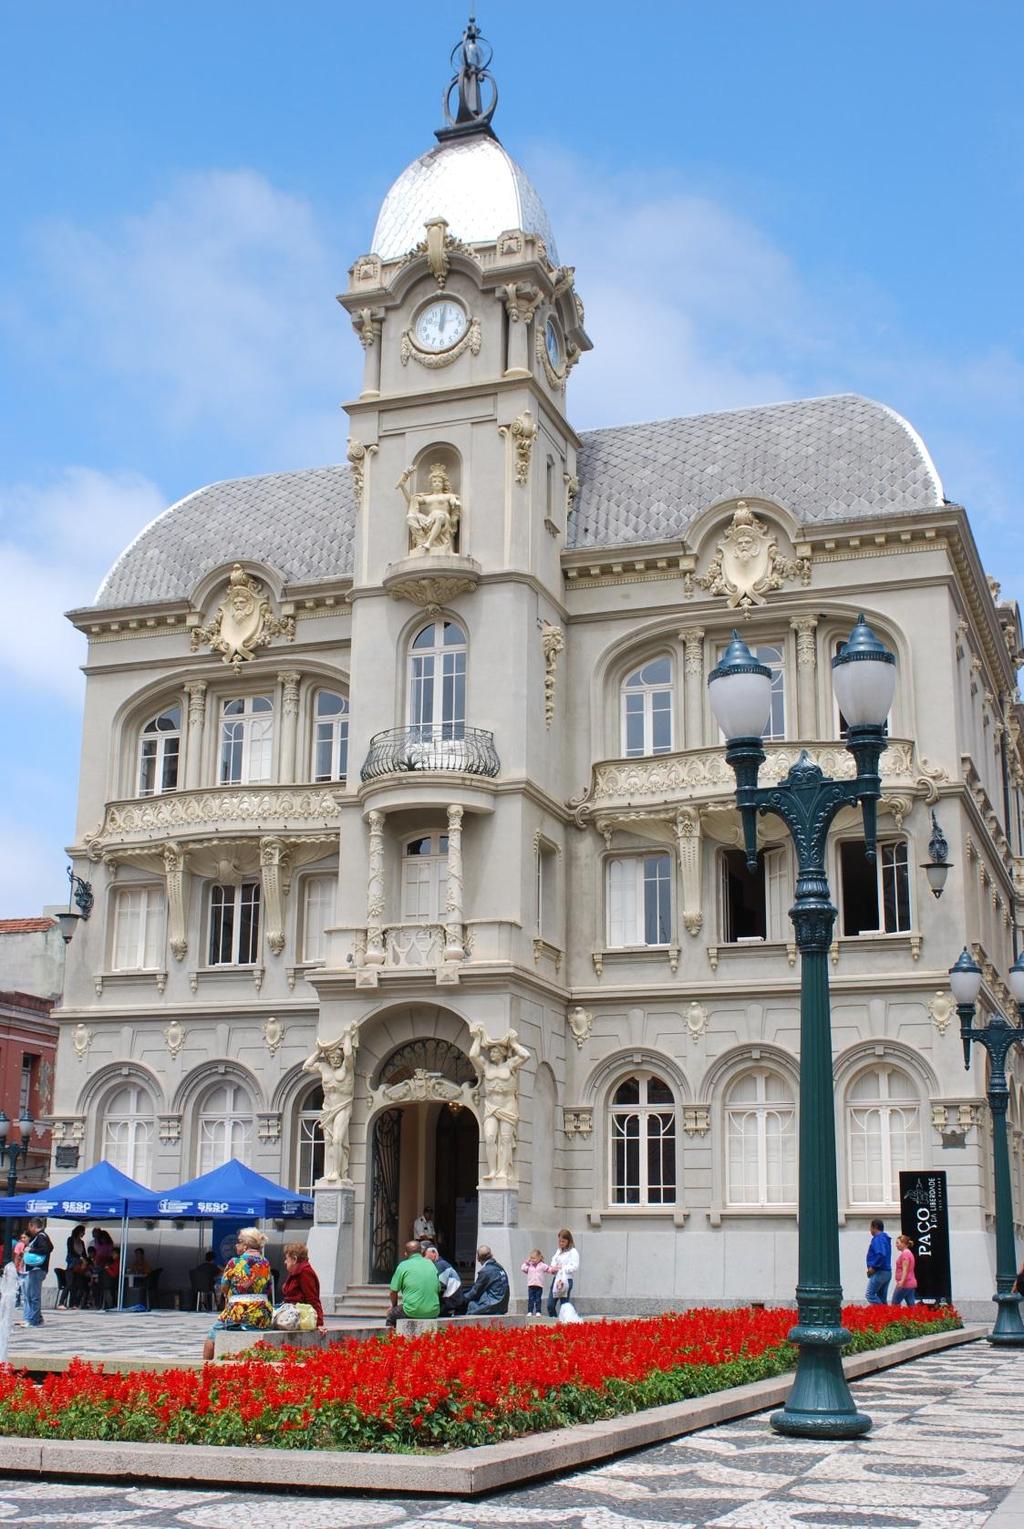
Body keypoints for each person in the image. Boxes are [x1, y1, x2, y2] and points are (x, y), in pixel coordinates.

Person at [201, 1228, 273, 1362]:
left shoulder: (234, 1262)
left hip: (238, 1312)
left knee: (212, 1336)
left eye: (238, 1242)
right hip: (262, 1313)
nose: (236, 1245)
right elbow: (268, 1289)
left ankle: (205, 1365)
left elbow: (223, 1287)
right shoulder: (266, 1263)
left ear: (245, 1245)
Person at [387, 1240, 441, 1326]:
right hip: (433, 1311)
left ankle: (392, 1338)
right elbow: (438, 1288)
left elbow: (393, 1292)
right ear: (422, 1252)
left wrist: (394, 1307)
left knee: (391, 1315)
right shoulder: (431, 1265)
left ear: (405, 1253)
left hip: (412, 1311)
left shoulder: (403, 1266)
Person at [280, 1242, 325, 1328]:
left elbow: (312, 1298)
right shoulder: (295, 1271)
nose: (285, 1262)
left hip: (299, 1317)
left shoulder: (304, 1272)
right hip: (292, 1314)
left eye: (287, 1258)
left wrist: (318, 1322)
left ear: (294, 1259)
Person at [20, 1217, 53, 1329]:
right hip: (37, 1269)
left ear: (33, 1226)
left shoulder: (41, 1237)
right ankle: (37, 1318)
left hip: (37, 1269)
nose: (29, 1229)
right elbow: (51, 1247)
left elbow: (46, 1249)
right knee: (31, 1294)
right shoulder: (42, 1236)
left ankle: (34, 1321)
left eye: (30, 1227)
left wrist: (31, 1250)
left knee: (34, 1296)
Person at [463, 1245, 510, 1316]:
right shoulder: (499, 1268)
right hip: (502, 1305)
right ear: (491, 1255)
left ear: (478, 1258)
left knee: (470, 1305)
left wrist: (461, 1299)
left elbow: (475, 1292)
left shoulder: (485, 1271)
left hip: (491, 1306)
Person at [547, 1228, 580, 1318]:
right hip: (557, 1279)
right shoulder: (559, 1251)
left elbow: (575, 1266)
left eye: (563, 1241)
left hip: (566, 1279)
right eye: (560, 1241)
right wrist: (554, 1267)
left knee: (564, 1305)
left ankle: (564, 1323)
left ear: (568, 1241)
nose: (561, 1243)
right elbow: (553, 1260)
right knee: (550, 1305)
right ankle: (554, 1320)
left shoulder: (573, 1252)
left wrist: (563, 1268)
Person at [424, 1244, 463, 1316]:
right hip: (451, 1300)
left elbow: (439, 1288)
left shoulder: (440, 1265)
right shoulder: (441, 1263)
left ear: (434, 1253)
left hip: (450, 1302)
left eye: (424, 1254)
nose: (423, 1257)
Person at [865, 1218, 892, 1304]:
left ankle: (882, 1313)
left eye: (871, 1227)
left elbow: (881, 1254)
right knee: (882, 1298)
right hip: (887, 1271)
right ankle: (886, 1315)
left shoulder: (878, 1239)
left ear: (875, 1227)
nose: (870, 1230)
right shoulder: (885, 1238)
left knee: (870, 1295)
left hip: (879, 1271)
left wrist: (873, 1267)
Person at [65, 1225, 90, 1308]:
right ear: (79, 1231)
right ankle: (62, 1302)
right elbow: (71, 1251)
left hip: (80, 1266)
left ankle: (74, 1303)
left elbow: (84, 1254)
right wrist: (81, 1258)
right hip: (73, 1264)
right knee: (70, 1284)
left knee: (78, 1284)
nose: (84, 1233)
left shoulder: (82, 1242)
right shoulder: (70, 1239)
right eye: (83, 1232)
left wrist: (87, 1261)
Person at [521, 1249, 551, 1316]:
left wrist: (553, 1270)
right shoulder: (529, 1265)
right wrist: (526, 1262)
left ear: (539, 1258)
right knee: (531, 1299)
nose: (532, 1260)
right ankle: (530, 1311)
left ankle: (538, 1311)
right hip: (531, 1285)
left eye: (534, 1258)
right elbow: (523, 1268)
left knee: (538, 1299)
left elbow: (548, 1269)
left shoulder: (542, 1265)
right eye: (531, 1258)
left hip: (539, 1285)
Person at [892, 1234, 918, 1306]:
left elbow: (905, 1269)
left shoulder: (905, 1254)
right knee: (911, 1306)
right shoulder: (909, 1253)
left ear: (903, 1244)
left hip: (905, 1284)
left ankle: (896, 1317)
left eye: (898, 1243)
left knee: (894, 1304)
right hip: (911, 1283)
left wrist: (901, 1282)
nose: (896, 1245)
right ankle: (915, 1317)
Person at [12, 1228, 28, 1309]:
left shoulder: (29, 1245)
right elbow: (16, 1257)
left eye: (24, 1237)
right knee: (18, 1286)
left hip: (27, 1269)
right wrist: (16, 1267)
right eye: (22, 1237)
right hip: (20, 1268)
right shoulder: (19, 1245)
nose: (23, 1239)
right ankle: (17, 1302)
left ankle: (24, 1303)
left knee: (25, 1287)